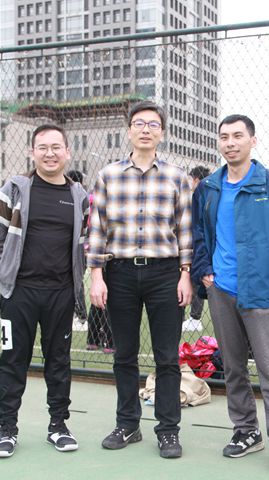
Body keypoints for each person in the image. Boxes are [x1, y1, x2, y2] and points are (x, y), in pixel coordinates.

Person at [191, 114, 269, 476]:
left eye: (238, 136)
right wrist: (204, 271)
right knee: (233, 367)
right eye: (224, 137)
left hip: (261, 292)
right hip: (221, 290)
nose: (230, 142)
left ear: (253, 141)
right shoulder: (208, 187)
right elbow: (199, 234)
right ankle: (246, 431)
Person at [87, 100, 193, 459]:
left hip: (165, 273)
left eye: (153, 124)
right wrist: (97, 276)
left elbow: (185, 231)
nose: (145, 129)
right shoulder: (108, 175)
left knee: (167, 357)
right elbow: (97, 229)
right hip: (119, 273)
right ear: (129, 130)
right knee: (124, 355)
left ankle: (168, 430)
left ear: (162, 133)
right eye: (139, 123)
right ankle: (128, 424)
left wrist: (185, 274)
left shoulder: (177, 177)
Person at [0, 124, 89, 458]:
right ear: (32, 152)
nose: (50, 153)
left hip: (61, 294)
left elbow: (84, 242)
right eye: (42, 147)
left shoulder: (79, 196)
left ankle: (58, 426)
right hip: (19, 294)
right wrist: (12, 267)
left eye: (56, 147)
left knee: (59, 362)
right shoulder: (15, 189)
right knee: (13, 360)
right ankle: (7, 429)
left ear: (67, 152)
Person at [183, 165, 211, 332]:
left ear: (195, 179)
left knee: (196, 281)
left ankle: (194, 318)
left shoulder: (199, 195)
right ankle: (194, 318)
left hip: (197, 246)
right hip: (200, 246)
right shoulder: (210, 193)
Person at [67, 169, 89, 324]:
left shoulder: (78, 197)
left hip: (80, 248)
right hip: (87, 247)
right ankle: (79, 315)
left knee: (76, 282)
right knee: (76, 281)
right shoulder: (86, 196)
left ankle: (81, 316)